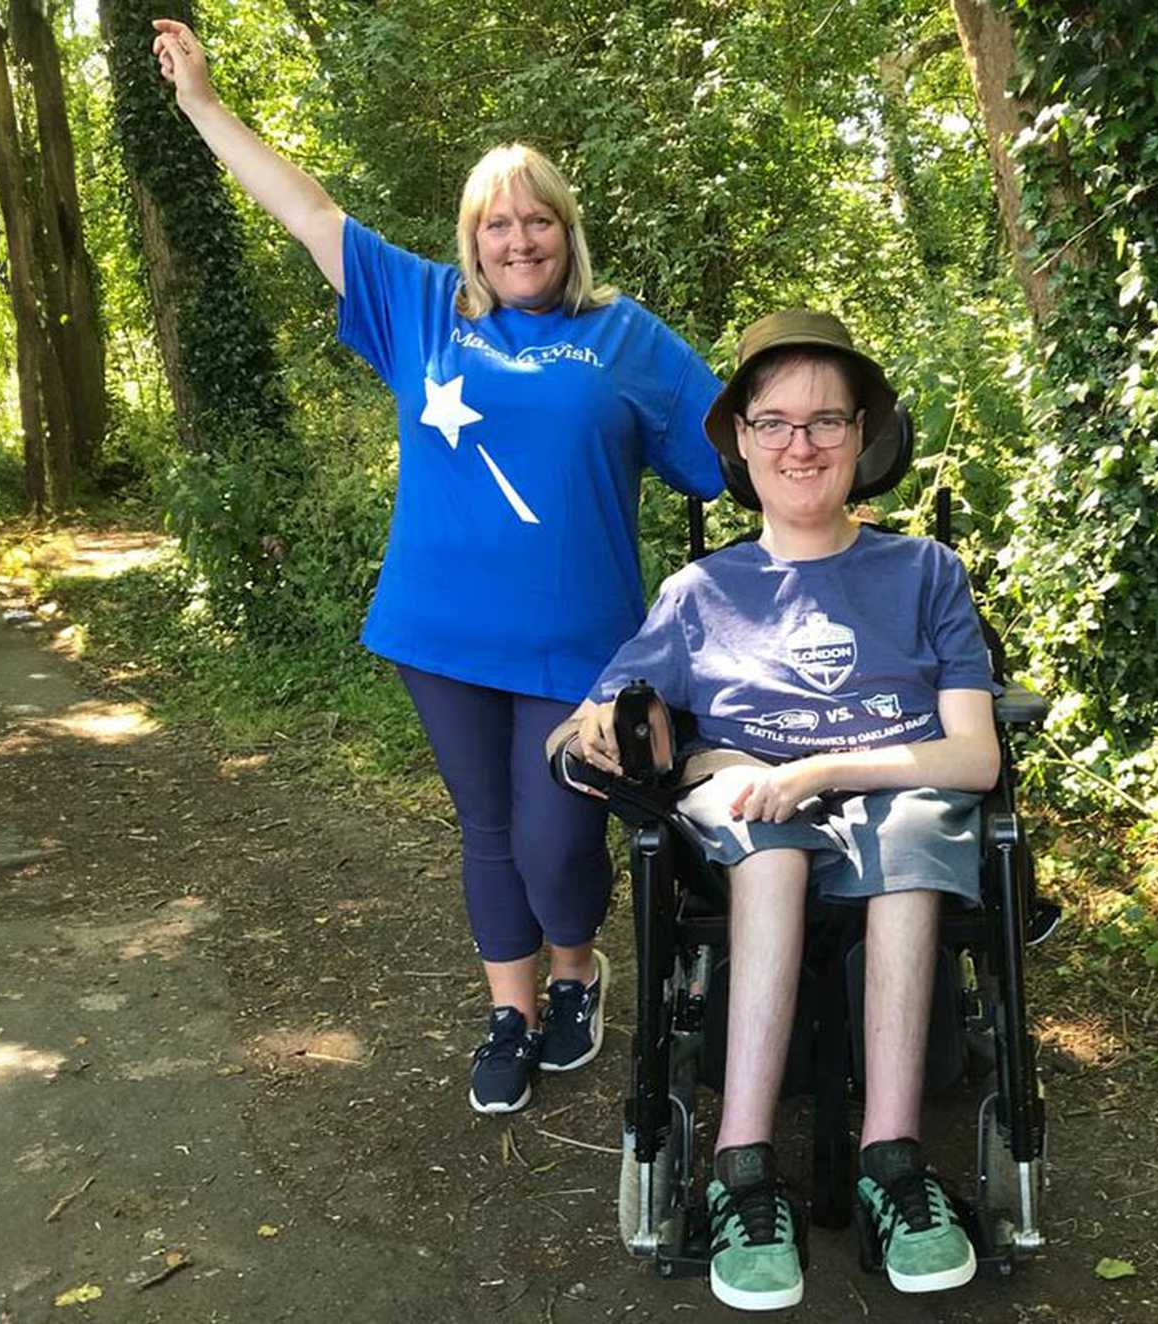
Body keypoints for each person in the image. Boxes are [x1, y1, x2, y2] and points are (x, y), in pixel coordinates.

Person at [150, 20, 726, 1116]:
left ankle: (577, 969)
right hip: (441, 630)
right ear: (472, 239)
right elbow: (308, 210)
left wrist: (821, 441)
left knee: (560, 836)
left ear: (567, 231)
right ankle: (512, 1007)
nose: (519, 238)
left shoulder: (624, 337)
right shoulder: (424, 311)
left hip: (578, 643)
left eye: (538, 219)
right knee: (490, 828)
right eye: (497, 222)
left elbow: (729, 449)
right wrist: (203, 107)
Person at [551, 311, 1000, 1310]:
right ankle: (739, 1164)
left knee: (917, 822)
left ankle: (896, 1163)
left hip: (894, 801)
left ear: (864, 437)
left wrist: (827, 766)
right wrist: (622, 737)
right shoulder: (700, 591)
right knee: (765, 834)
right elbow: (597, 722)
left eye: (827, 421)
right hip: (754, 825)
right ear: (742, 443)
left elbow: (972, 754)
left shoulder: (925, 572)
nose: (801, 444)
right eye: (776, 422)